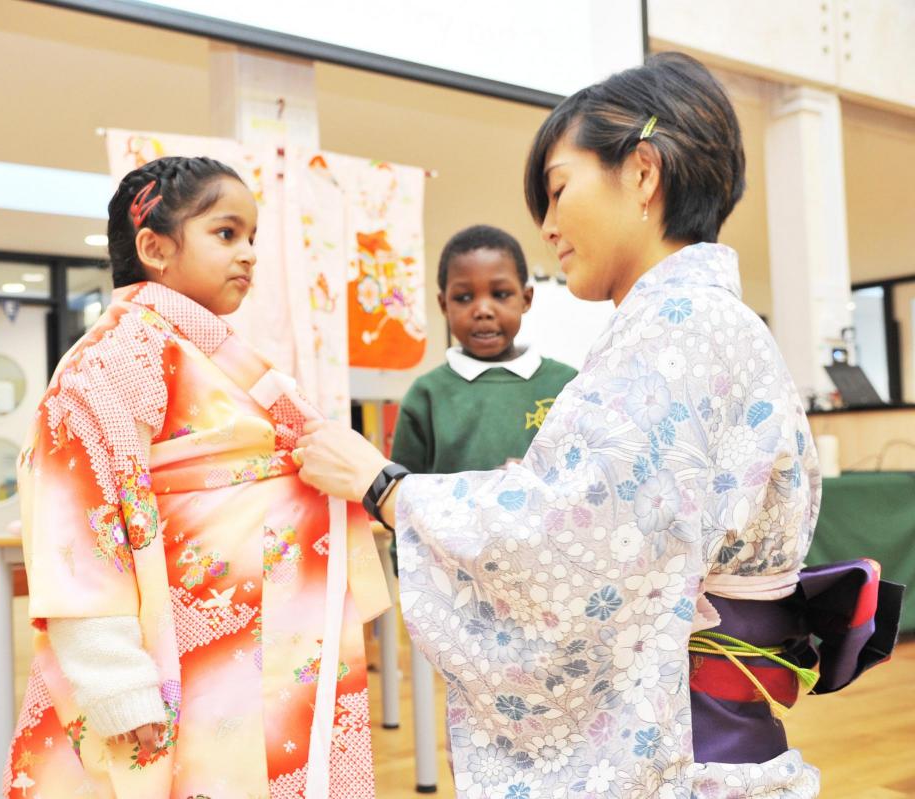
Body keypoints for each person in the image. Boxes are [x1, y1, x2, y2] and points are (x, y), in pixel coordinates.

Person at [294, 53, 899, 798]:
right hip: (713, 731)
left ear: (643, 172)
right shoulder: (693, 322)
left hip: (687, 739)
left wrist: (384, 486)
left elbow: (575, 533)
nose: (548, 226)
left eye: (557, 191)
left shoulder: (680, 327)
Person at [4, 156, 390, 799]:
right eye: (226, 233)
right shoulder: (115, 355)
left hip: (258, 624)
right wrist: (115, 679)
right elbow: (75, 521)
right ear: (154, 248)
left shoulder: (200, 347)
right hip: (195, 630)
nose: (249, 253)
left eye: (252, 237)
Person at [390, 223, 577, 475]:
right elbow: (401, 490)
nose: (483, 311)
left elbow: (589, 474)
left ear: (526, 299)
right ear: (444, 305)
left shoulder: (567, 385)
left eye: (500, 294)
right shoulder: (426, 395)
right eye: (464, 298)